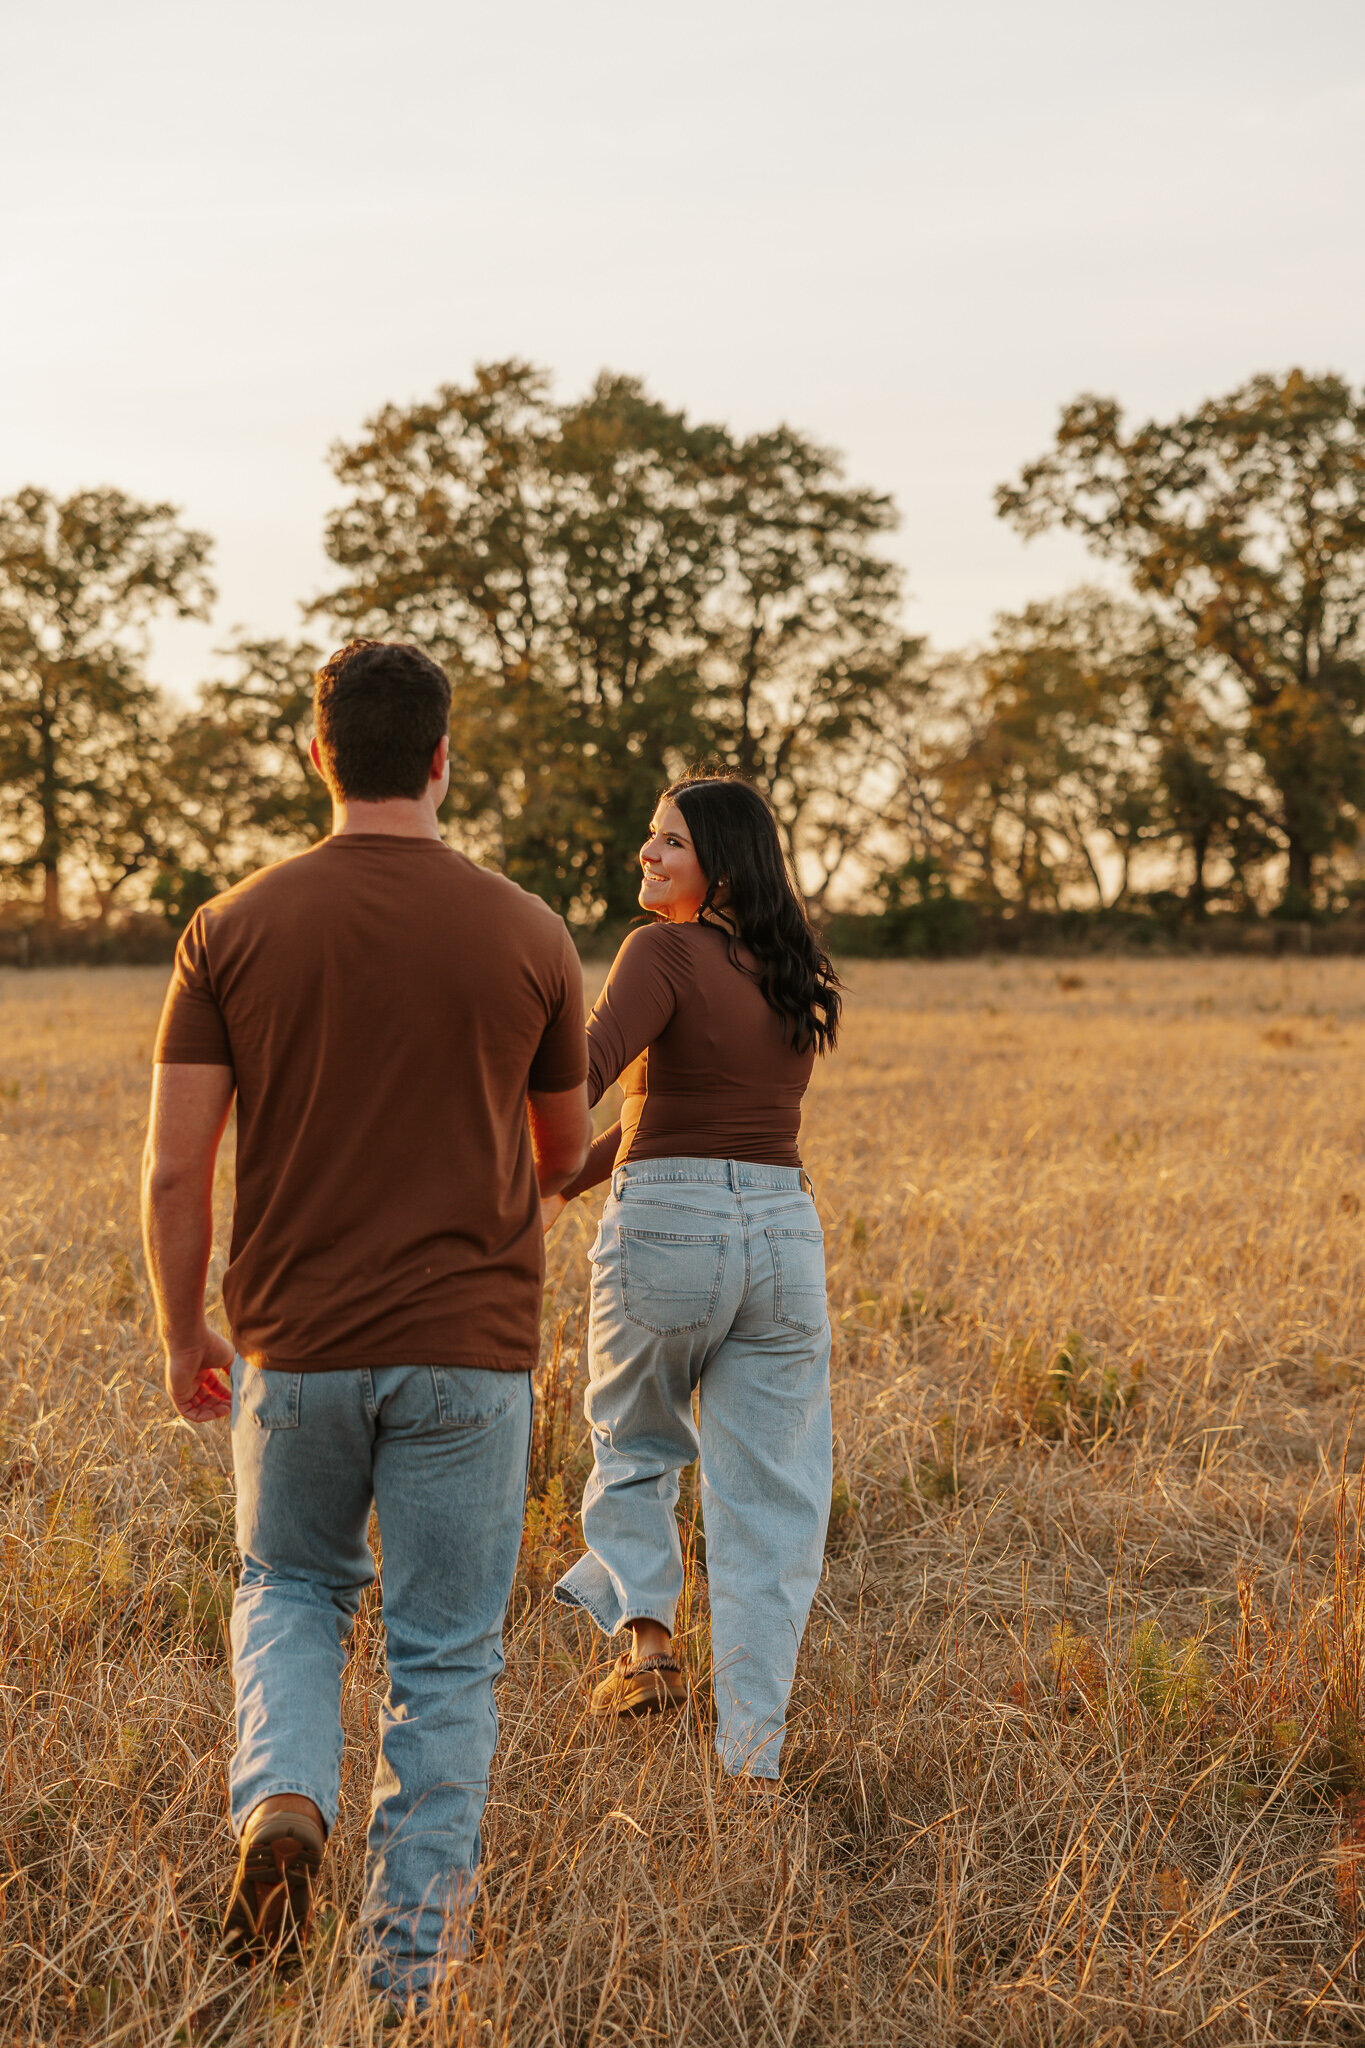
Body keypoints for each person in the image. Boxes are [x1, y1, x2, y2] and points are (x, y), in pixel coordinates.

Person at [140, 639, 590, 2001]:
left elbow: (175, 1164)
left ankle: (281, 1798)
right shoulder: (529, 934)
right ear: (444, 759)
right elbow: (560, 1152)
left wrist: (183, 1333)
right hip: (472, 1353)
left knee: (288, 1586)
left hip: (296, 1347)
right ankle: (407, 1968)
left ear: (315, 751)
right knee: (445, 1651)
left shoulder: (229, 926)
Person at [545, 773, 840, 1788]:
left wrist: (508, 1142)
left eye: (668, 839)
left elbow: (583, 1077)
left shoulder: (658, 950)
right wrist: (564, 1188)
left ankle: (651, 1644)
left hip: (671, 1226)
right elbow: (648, 1111)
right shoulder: (784, 967)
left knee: (634, 1444)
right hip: (785, 1236)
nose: (646, 851)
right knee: (772, 1502)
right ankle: (752, 1755)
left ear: (719, 859)